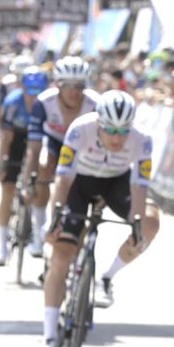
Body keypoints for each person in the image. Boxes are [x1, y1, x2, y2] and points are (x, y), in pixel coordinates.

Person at [35, 90, 160, 347]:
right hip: (79, 184)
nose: (116, 138)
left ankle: (106, 277)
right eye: (110, 130)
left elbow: (140, 187)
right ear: (98, 123)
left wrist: (137, 226)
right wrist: (56, 216)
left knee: (150, 222)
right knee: (62, 255)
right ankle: (48, 336)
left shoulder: (142, 139)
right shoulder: (80, 129)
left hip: (117, 183)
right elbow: (63, 178)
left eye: (123, 131)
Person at [22, 56, 99, 258]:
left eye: (79, 86)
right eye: (67, 85)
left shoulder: (95, 104)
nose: (74, 92)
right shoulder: (44, 102)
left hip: (81, 146)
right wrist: (30, 181)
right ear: (58, 85)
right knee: (44, 165)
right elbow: (33, 148)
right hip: (54, 141)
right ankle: (39, 230)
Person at [0, 66, 49, 265]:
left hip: (39, 139)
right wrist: (2, 165)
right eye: (30, 90)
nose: (34, 96)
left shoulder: (48, 104)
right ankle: (2, 245)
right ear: (22, 88)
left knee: (41, 178)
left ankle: (37, 232)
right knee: (8, 190)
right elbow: (5, 138)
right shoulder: (12, 102)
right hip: (16, 139)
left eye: (38, 91)